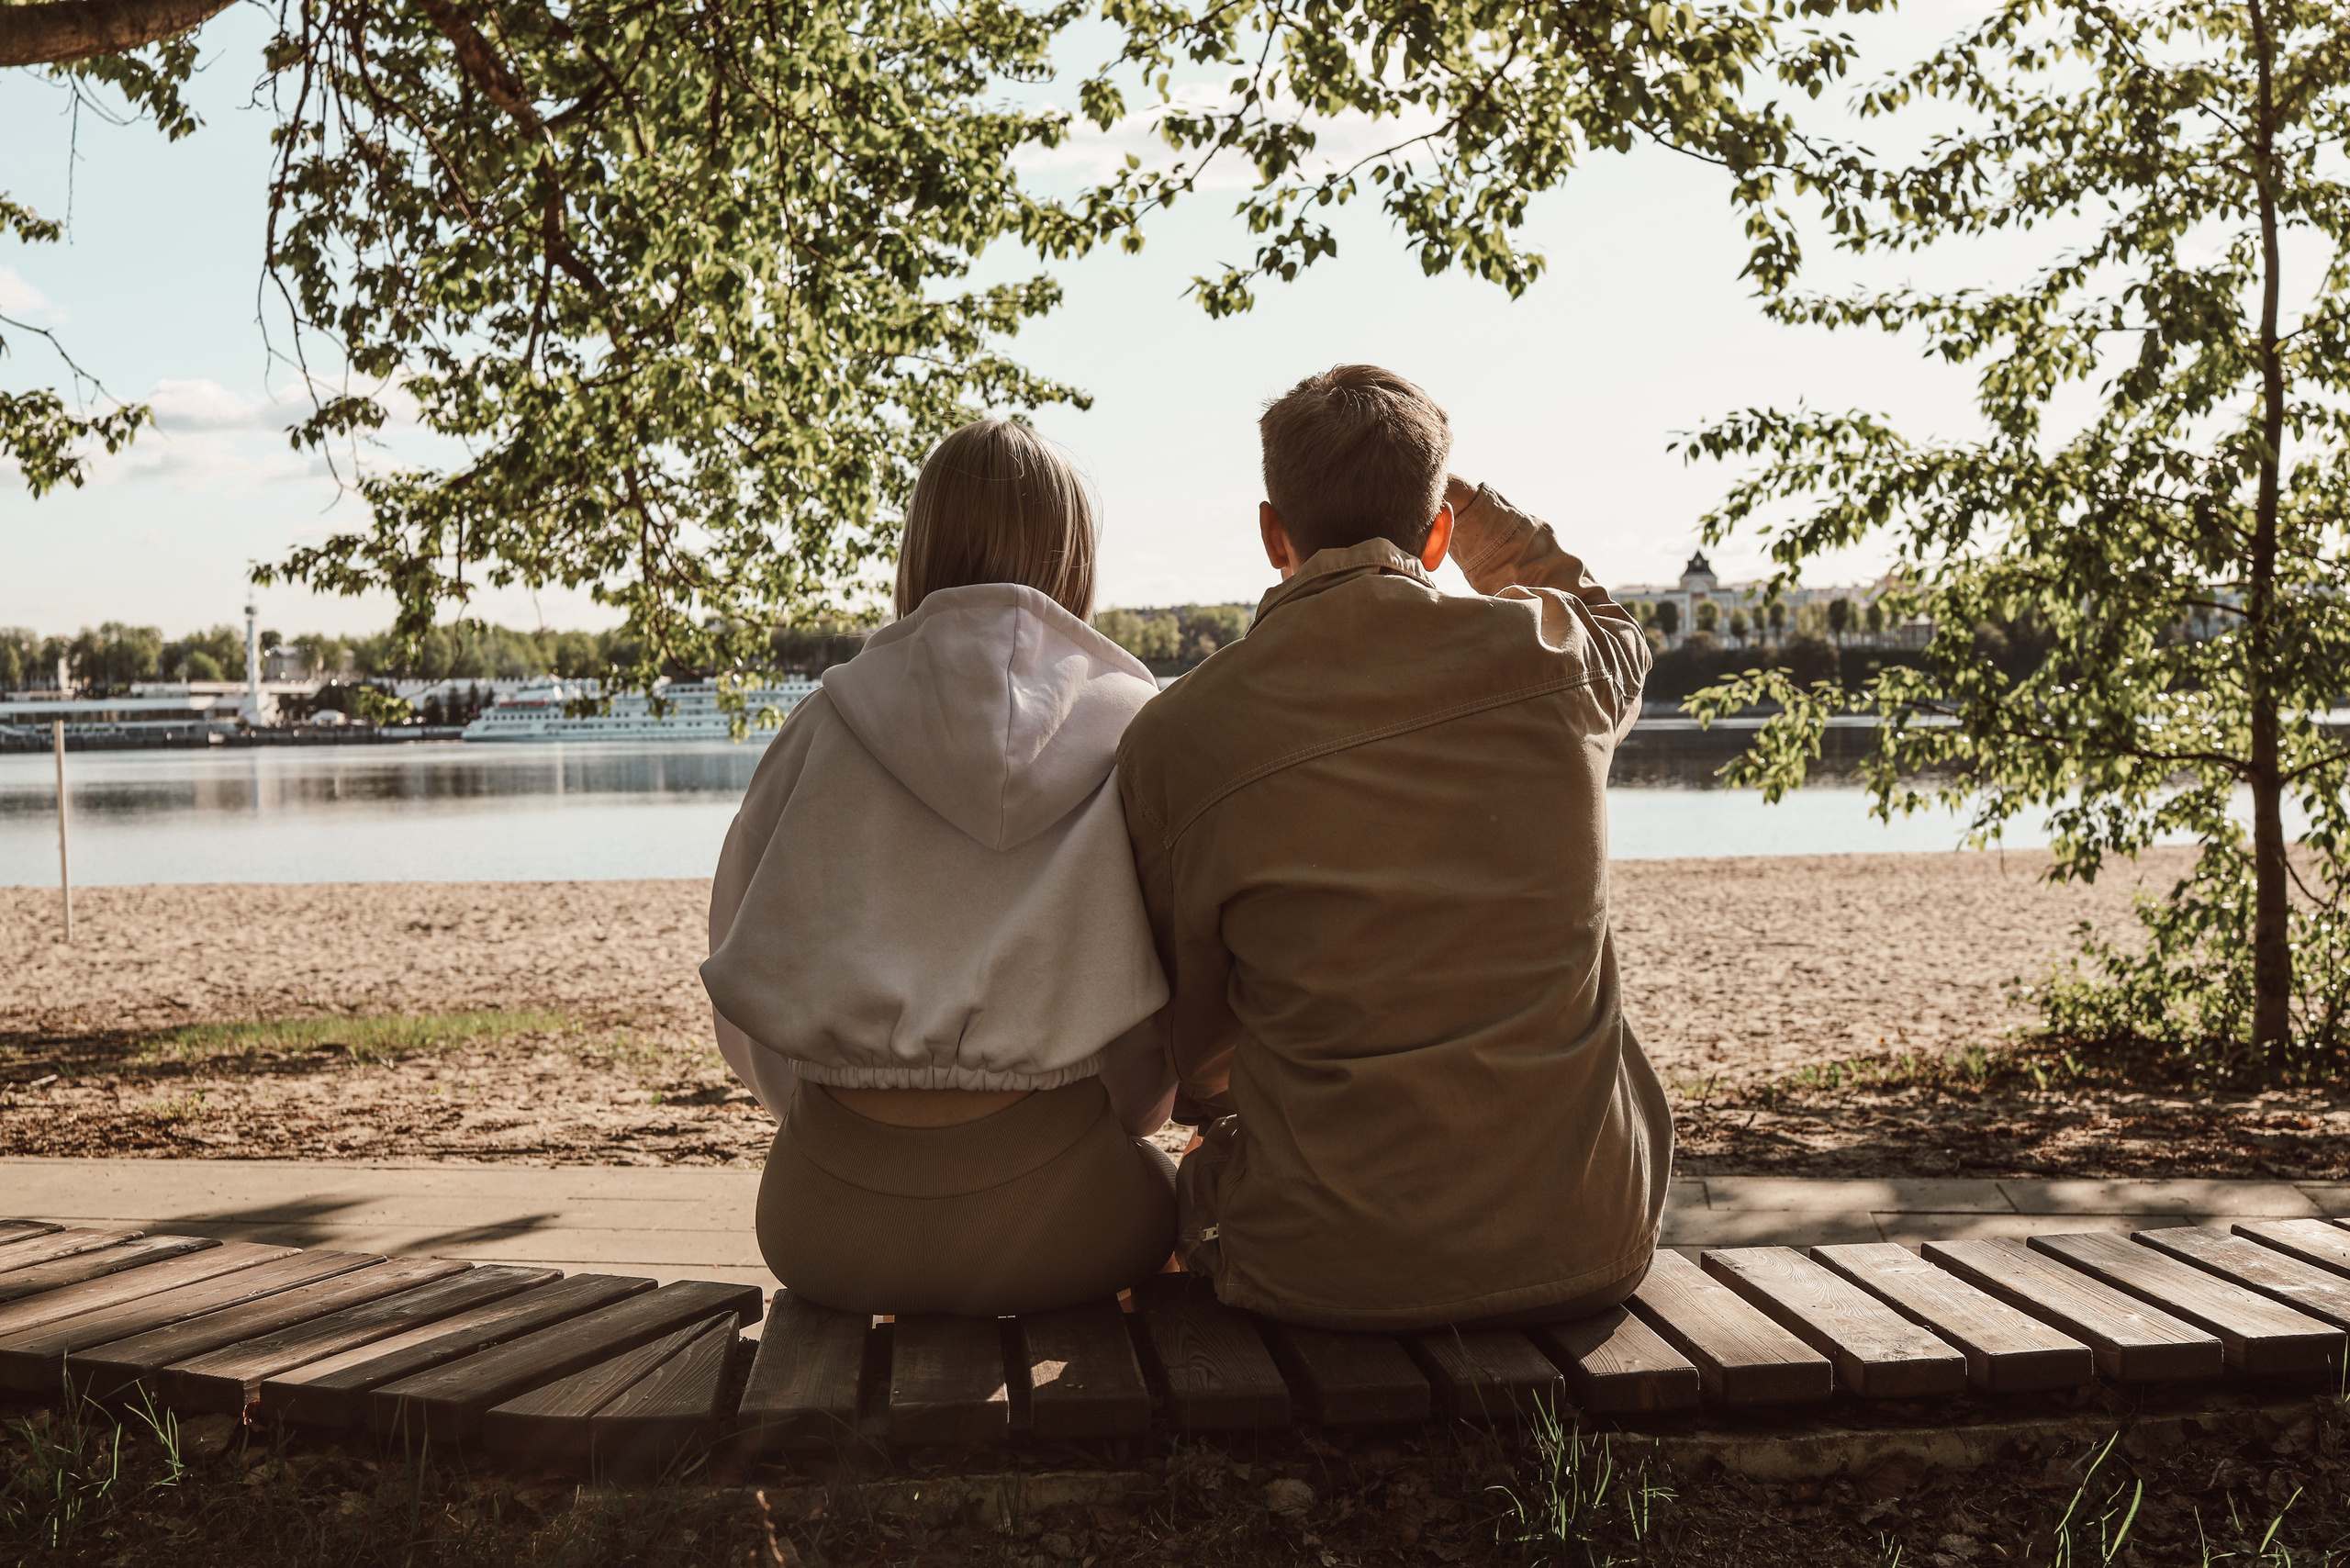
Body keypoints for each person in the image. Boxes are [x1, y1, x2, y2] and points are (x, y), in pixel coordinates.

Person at [1116, 364, 1670, 1333]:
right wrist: (1479, 512)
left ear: (1271, 533)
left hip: (1319, 1267)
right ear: (1440, 533)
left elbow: (1196, 1042)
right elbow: (1618, 630)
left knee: (1188, 1191)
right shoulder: (1554, 661)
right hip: (1586, 1241)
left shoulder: (1179, 735)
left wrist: (1224, 1109)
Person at [701, 419, 1179, 1317]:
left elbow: (742, 961)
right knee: (1174, 1201)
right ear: (1076, 561)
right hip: (1068, 1219)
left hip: (822, 1224)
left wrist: (834, 1093)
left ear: (918, 548)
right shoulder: (1136, 733)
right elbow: (1165, 1000)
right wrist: (1103, 1112)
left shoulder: (824, 722)